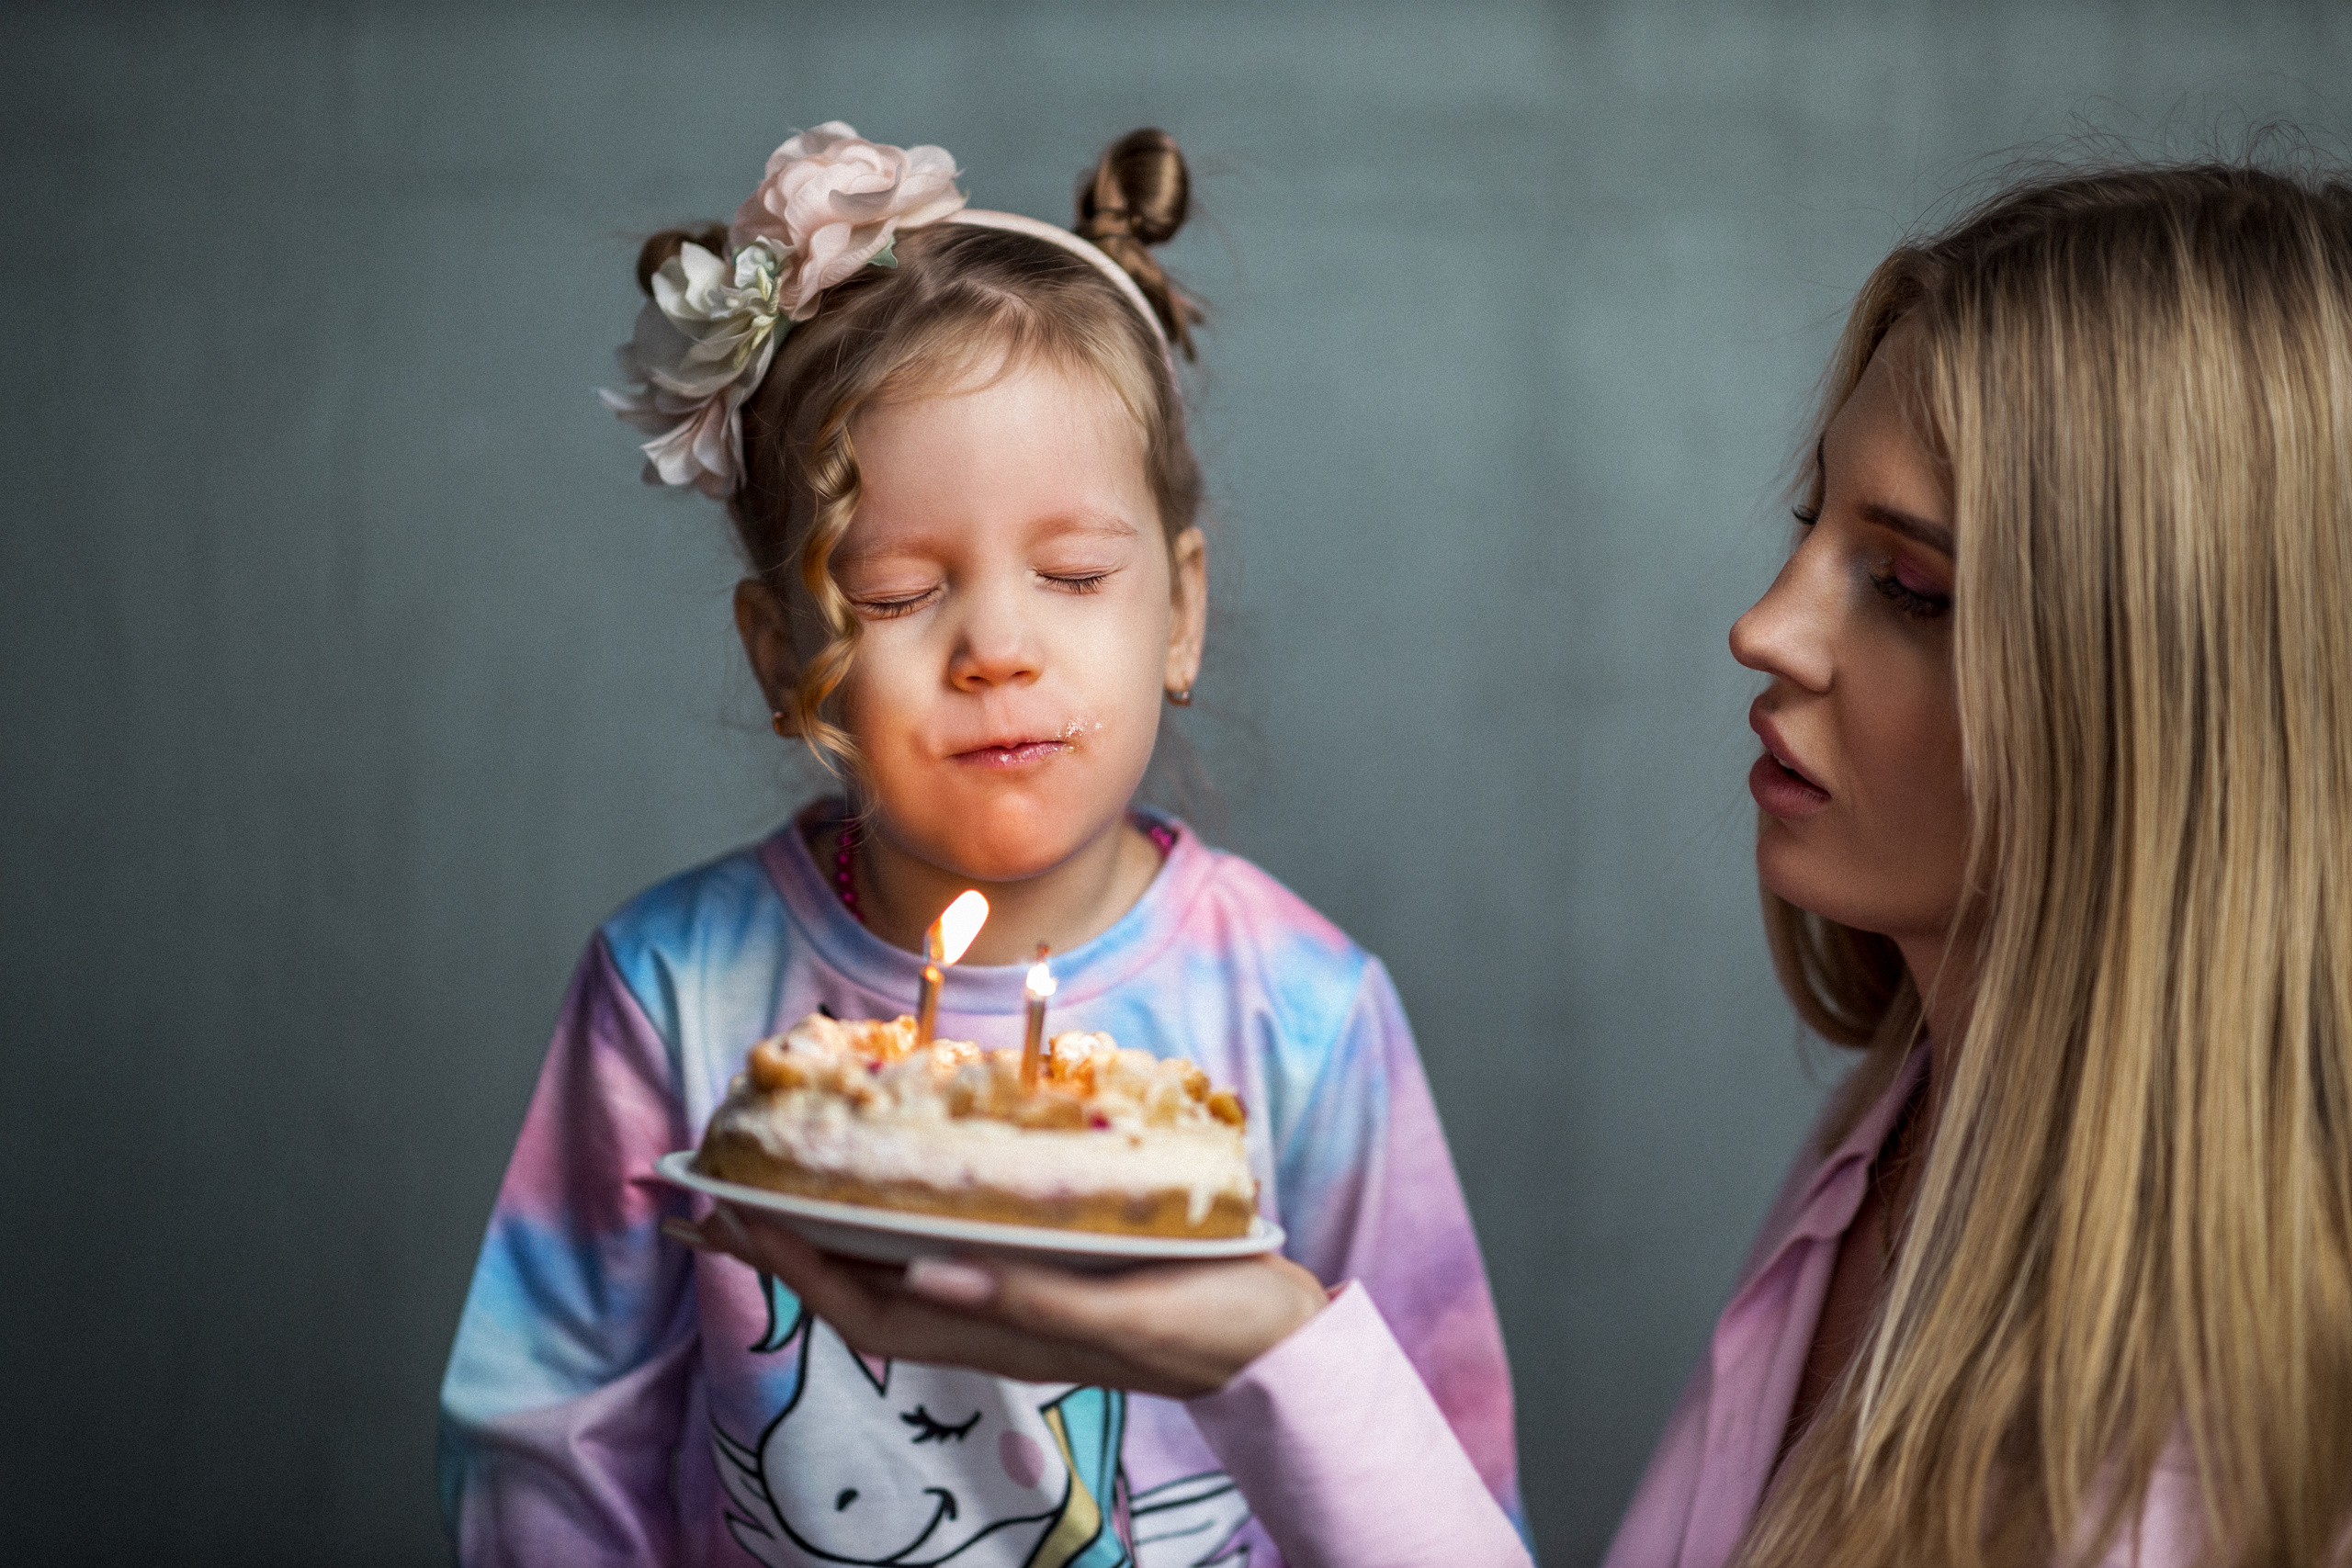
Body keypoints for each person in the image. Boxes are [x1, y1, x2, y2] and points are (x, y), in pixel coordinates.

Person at [697, 160, 2352, 1568]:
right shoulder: (1899, 1148)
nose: (1765, 626)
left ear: (2174, 694)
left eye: (1909, 586)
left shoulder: (2247, 1423)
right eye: (1811, 527)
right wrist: (1260, 1344)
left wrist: (1266, 1355)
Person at [435, 123, 1521, 1566]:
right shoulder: (674, 989)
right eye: (896, 595)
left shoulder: (1305, 1014)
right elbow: (552, 1449)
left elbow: (1431, 1470)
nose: (997, 646)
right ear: (783, 655)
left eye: (1072, 574)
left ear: (1181, 610)